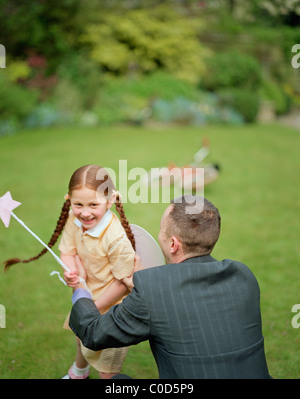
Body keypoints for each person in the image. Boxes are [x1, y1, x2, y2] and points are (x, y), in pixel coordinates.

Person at [69, 195, 271, 379]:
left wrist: (81, 289)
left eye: (161, 231)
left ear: (173, 244)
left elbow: (92, 333)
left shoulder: (152, 290)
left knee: (118, 382)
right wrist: (143, 283)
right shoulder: (244, 275)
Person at [4, 164, 136, 379]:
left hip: (114, 308)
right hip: (88, 294)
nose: (85, 212)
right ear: (69, 200)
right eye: (78, 204)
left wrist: (91, 309)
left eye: (93, 204)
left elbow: (123, 284)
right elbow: (68, 252)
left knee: (106, 367)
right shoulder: (74, 222)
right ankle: (79, 372)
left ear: (110, 200)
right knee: (81, 337)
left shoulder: (116, 239)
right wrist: (72, 272)